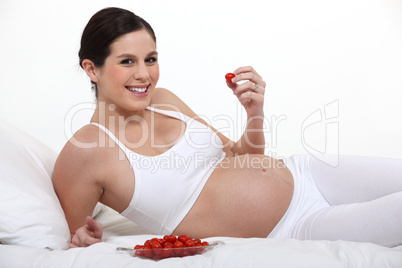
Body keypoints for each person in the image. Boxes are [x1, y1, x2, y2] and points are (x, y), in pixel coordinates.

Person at [52, 7, 402, 249]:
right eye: (127, 61)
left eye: (151, 59)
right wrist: (84, 239)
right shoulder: (86, 151)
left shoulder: (164, 99)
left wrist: (254, 112)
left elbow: (239, 156)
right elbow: (69, 239)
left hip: (307, 173)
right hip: (291, 227)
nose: (144, 74)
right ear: (91, 69)